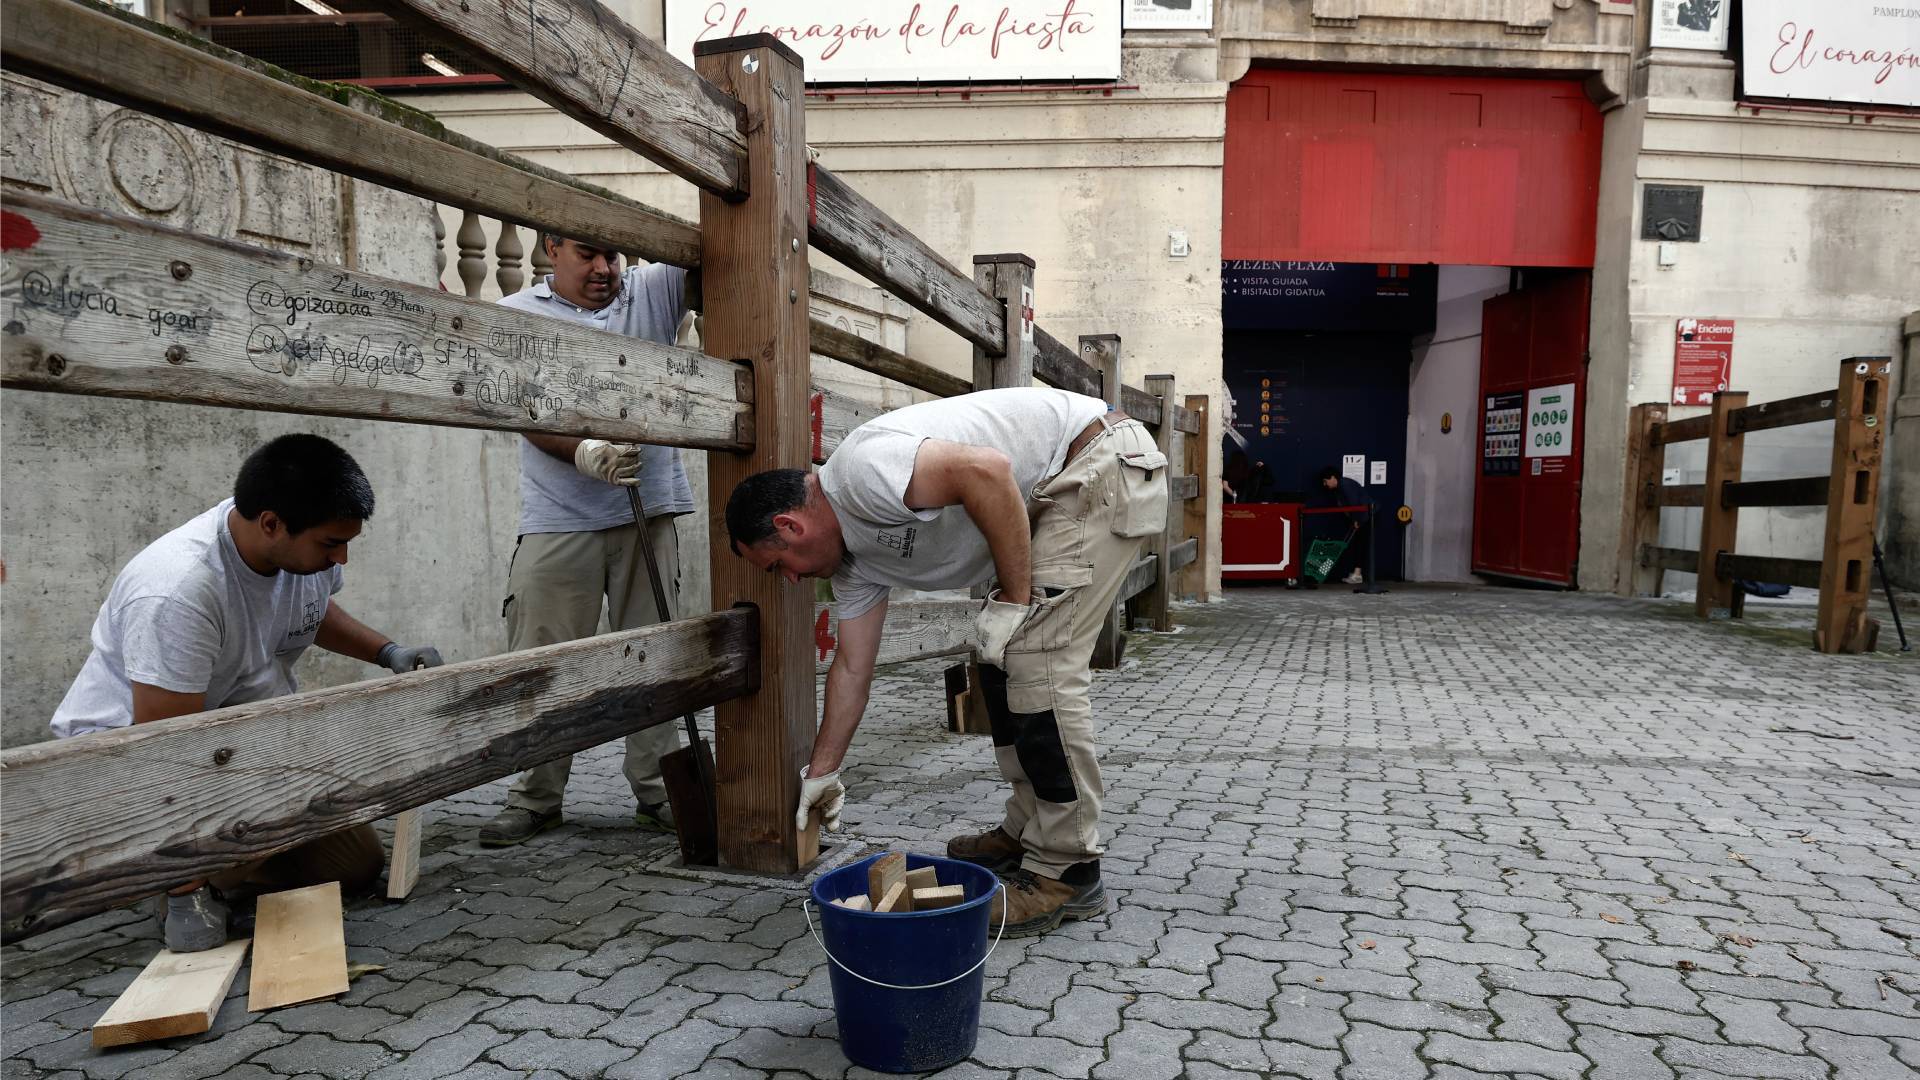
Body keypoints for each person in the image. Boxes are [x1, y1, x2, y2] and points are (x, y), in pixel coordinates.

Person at [725, 387, 1169, 936]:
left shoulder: (860, 475)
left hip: (1095, 459)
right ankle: (1028, 828)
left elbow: (985, 470)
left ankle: (1067, 869)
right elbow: (851, 669)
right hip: (1060, 483)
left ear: (791, 527)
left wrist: (1014, 597)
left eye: (778, 566)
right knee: (998, 660)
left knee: (1038, 665)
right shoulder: (854, 566)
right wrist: (823, 772)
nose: (790, 580)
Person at [49, 434, 443, 952]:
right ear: (272, 523)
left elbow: (312, 612)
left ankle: (226, 867)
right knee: (244, 827)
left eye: (347, 542)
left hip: (233, 749)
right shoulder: (178, 591)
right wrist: (186, 894)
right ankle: (166, 875)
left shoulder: (298, 556)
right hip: (126, 774)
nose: (341, 557)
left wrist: (387, 651)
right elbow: (166, 751)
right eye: (330, 543)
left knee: (353, 865)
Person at [478, 233, 695, 848]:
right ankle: (535, 799)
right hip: (557, 516)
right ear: (550, 249)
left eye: (614, 254)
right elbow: (519, 406)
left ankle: (659, 795)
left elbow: (706, 248)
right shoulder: (520, 316)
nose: (604, 269)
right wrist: (582, 450)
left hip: (645, 514)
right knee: (541, 659)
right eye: (587, 254)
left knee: (651, 658)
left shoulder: (649, 293)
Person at [1313, 465, 1371, 586]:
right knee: (1356, 544)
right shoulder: (1339, 488)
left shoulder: (1345, 485)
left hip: (1364, 517)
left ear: (1333, 478)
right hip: (1359, 517)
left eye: (1325, 481)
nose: (1325, 484)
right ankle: (1356, 573)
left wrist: (1356, 520)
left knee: (1360, 544)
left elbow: (1355, 504)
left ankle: (1358, 574)